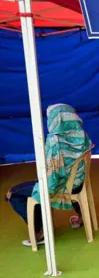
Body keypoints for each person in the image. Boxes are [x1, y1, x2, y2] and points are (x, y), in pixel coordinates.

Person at [5, 104, 92, 246]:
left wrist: (42, 191)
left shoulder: (54, 140)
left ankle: (40, 232)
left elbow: (52, 179)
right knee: (36, 185)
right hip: (78, 183)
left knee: (13, 194)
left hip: (63, 185)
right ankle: (81, 216)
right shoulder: (81, 134)